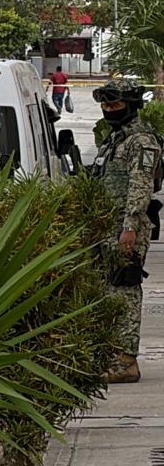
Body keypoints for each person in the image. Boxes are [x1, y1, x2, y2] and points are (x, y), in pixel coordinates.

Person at [91, 78, 164, 383]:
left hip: (126, 228)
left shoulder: (141, 140)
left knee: (125, 287)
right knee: (108, 289)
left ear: (131, 105)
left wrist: (130, 226)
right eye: (105, 104)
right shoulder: (115, 138)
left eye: (115, 104)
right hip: (107, 225)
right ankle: (110, 353)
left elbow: (141, 184)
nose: (109, 110)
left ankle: (126, 360)